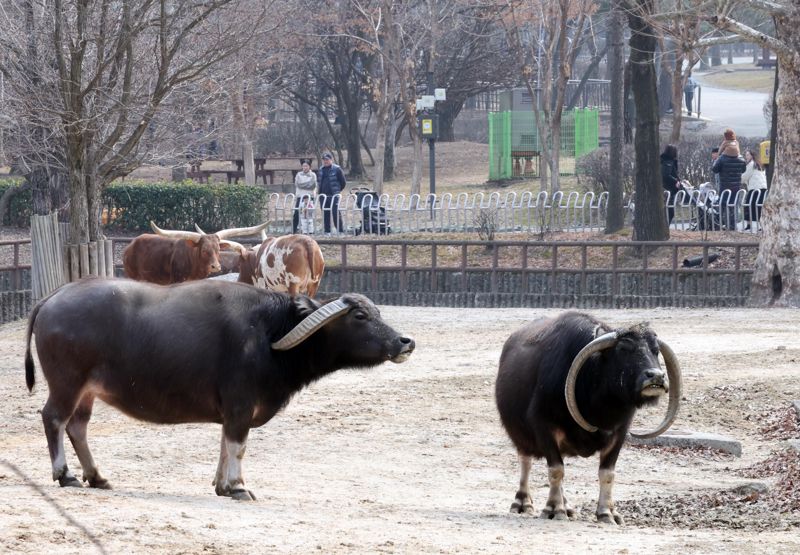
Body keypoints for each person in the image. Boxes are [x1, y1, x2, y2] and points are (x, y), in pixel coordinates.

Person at [712, 129, 746, 230]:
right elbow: (743, 170)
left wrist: (718, 157)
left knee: (722, 205)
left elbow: (715, 169)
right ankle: (732, 225)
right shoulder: (741, 158)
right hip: (736, 186)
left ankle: (723, 224)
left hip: (724, 186)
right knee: (733, 205)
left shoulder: (722, 158)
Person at [317, 152, 346, 234]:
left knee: (335, 212)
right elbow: (319, 181)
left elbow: (343, 182)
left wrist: (337, 191)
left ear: (331, 160)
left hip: (334, 195)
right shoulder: (321, 169)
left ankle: (340, 231)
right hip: (323, 195)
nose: (325, 161)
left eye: (327, 160)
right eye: (324, 160)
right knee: (325, 213)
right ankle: (327, 231)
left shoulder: (337, 169)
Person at [741, 149, 767, 230]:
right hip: (762, 188)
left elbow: (745, 176)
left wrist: (740, 178)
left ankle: (749, 225)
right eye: (746, 155)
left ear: (752, 156)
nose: (746, 157)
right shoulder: (759, 164)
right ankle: (761, 225)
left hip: (755, 189)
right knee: (759, 207)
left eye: (748, 155)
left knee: (748, 205)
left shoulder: (751, 164)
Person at [660, 144, 683, 224]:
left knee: (668, 211)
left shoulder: (663, 161)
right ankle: (665, 228)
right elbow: (666, 174)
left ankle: (664, 227)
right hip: (669, 189)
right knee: (670, 211)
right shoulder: (668, 162)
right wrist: (676, 181)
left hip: (667, 188)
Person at [292, 159, 317, 234]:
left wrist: (303, 184)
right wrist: (306, 184)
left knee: (309, 214)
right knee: (297, 212)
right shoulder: (299, 174)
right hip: (300, 196)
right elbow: (298, 184)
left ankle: (310, 230)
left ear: (309, 167)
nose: (305, 167)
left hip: (309, 196)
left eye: (306, 166)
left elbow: (312, 185)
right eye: (303, 166)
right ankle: (294, 229)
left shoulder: (313, 175)